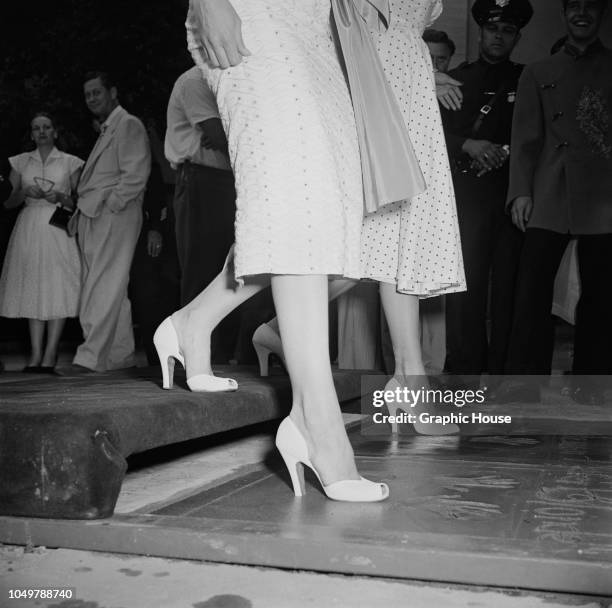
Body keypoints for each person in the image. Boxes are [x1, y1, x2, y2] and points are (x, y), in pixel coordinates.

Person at [154, 0, 390, 502]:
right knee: (296, 199)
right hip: (254, 14)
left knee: (318, 207)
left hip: (320, 26)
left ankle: (193, 323)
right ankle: (314, 418)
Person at [504, 0, 612, 404]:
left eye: (591, 7)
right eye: (574, 7)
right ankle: (523, 384)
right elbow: (525, 139)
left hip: (603, 197)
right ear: (565, 14)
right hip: (548, 192)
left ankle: (594, 385)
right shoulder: (538, 71)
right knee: (530, 292)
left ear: (601, 15)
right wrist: (520, 191)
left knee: (602, 295)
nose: (582, 13)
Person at [442, 0, 533, 381]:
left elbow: (535, 136)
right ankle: (464, 371)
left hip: (513, 195)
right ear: (481, 31)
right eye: (493, 28)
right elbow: (432, 135)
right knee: (467, 287)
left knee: (510, 288)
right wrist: (468, 145)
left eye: (507, 30)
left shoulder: (528, 78)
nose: (499, 36)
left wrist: (504, 152)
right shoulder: (457, 78)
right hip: (469, 196)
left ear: (517, 36)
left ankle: (504, 376)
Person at [63, 72, 151, 374]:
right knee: (114, 287)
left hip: (113, 215)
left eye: (96, 93)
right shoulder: (109, 128)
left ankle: (90, 357)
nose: (91, 99)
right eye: (87, 95)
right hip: (96, 215)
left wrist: (110, 205)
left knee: (102, 285)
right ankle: (119, 356)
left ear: (113, 92)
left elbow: (135, 175)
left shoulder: (127, 124)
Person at [165, 67, 240, 363]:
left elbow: (225, 136)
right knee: (202, 268)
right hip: (201, 180)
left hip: (223, 181)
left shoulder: (224, 81)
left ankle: (221, 354)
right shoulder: (195, 81)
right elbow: (219, 137)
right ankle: (195, 353)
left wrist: (227, 130)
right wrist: (227, 130)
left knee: (229, 267)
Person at [0, 112, 83, 373]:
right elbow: (8, 201)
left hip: (57, 226)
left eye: (47, 127)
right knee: (33, 286)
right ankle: (35, 355)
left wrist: (59, 196)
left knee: (57, 284)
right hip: (29, 225)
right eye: (37, 128)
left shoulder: (70, 162)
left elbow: (78, 201)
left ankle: (51, 353)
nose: (42, 132)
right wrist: (24, 192)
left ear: (55, 132)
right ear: (32, 133)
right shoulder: (21, 162)